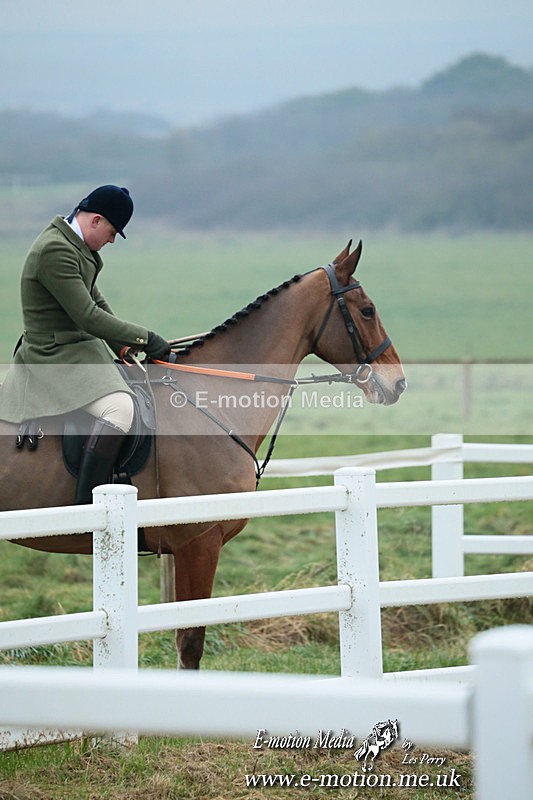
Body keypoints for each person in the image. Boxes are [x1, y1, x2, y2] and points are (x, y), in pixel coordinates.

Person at [0, 185, 170, 503]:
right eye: (112, 232)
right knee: (120, 409)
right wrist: (146, 338)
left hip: (78, 348)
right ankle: (87, 509)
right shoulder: (55, 251)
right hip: (53, 356)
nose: (112, 241)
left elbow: (96, 303)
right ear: (95, 220)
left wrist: (124, 347)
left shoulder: (74, 245)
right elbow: (88, 316)